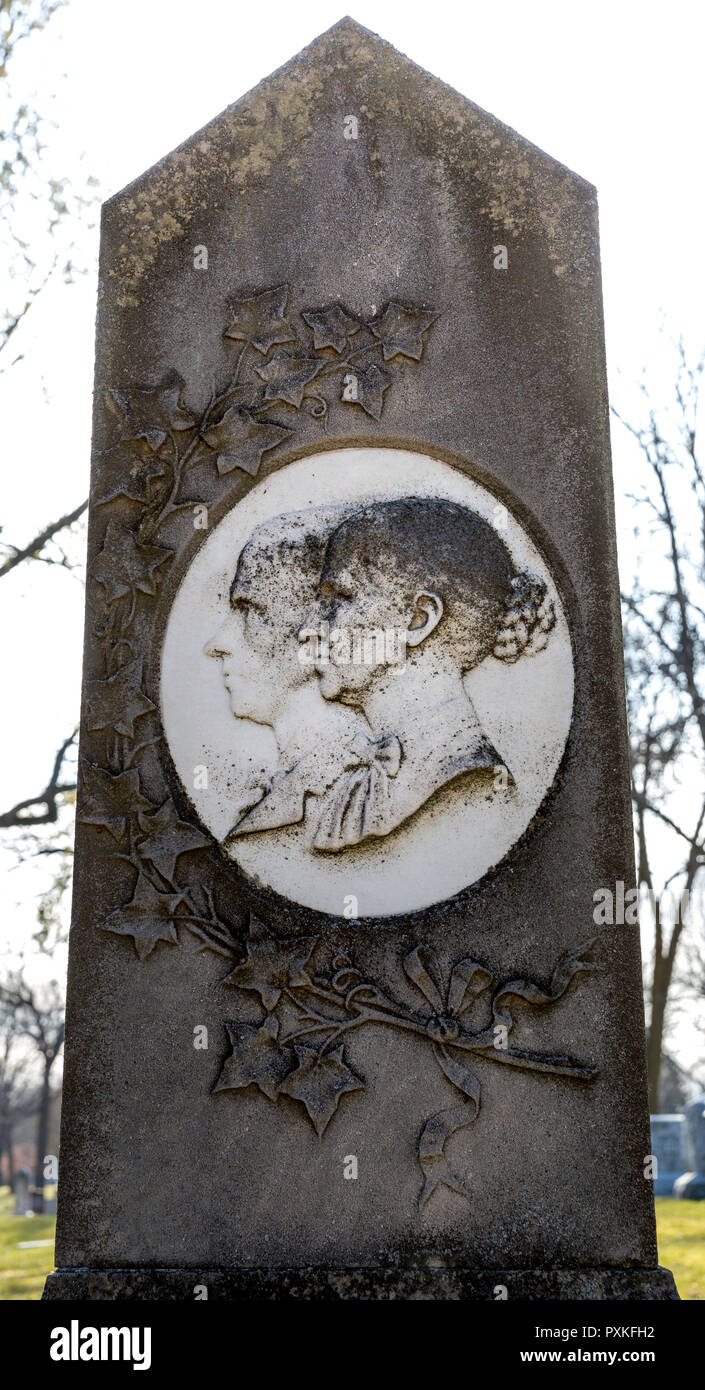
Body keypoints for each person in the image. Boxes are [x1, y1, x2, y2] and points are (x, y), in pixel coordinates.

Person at [300, 496, 555, 851]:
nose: (308, 629)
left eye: (340, 598)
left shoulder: (470, 786)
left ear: (418, 620)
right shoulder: (361, 784)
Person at [204, 506, 367, 844]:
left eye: (249, 610)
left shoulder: (354, 789)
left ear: (320, 623)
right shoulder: (289, 782)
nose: (217, 644)